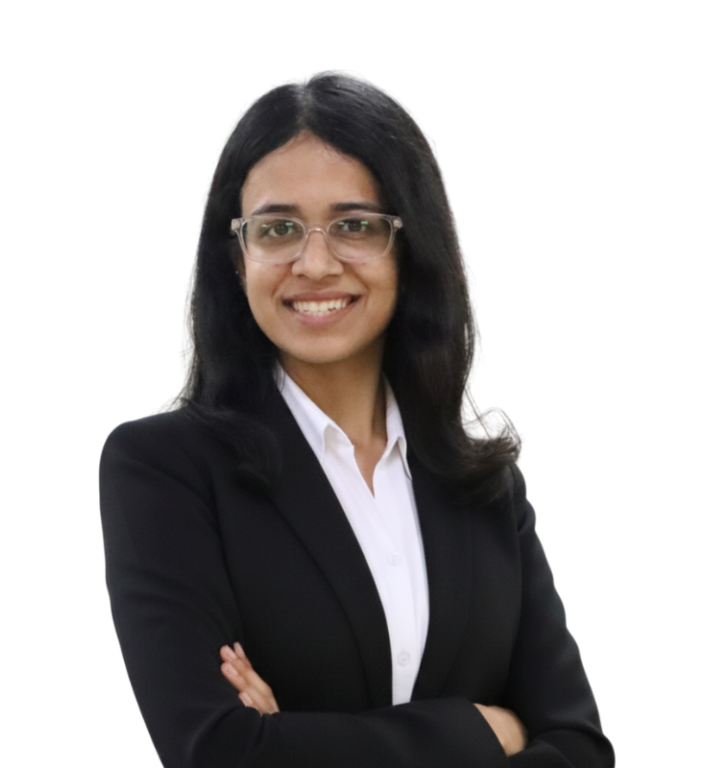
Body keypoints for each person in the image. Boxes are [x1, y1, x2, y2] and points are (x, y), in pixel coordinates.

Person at [99, 73, 614, 768]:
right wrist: (485, 732)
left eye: (355, 225)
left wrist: (297, 739)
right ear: (237, 256)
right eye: (277, 229)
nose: (314, 263)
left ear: (410, 245)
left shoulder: (485, 488)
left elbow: (580, 748)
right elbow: (220, 752)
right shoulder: (164, 472)